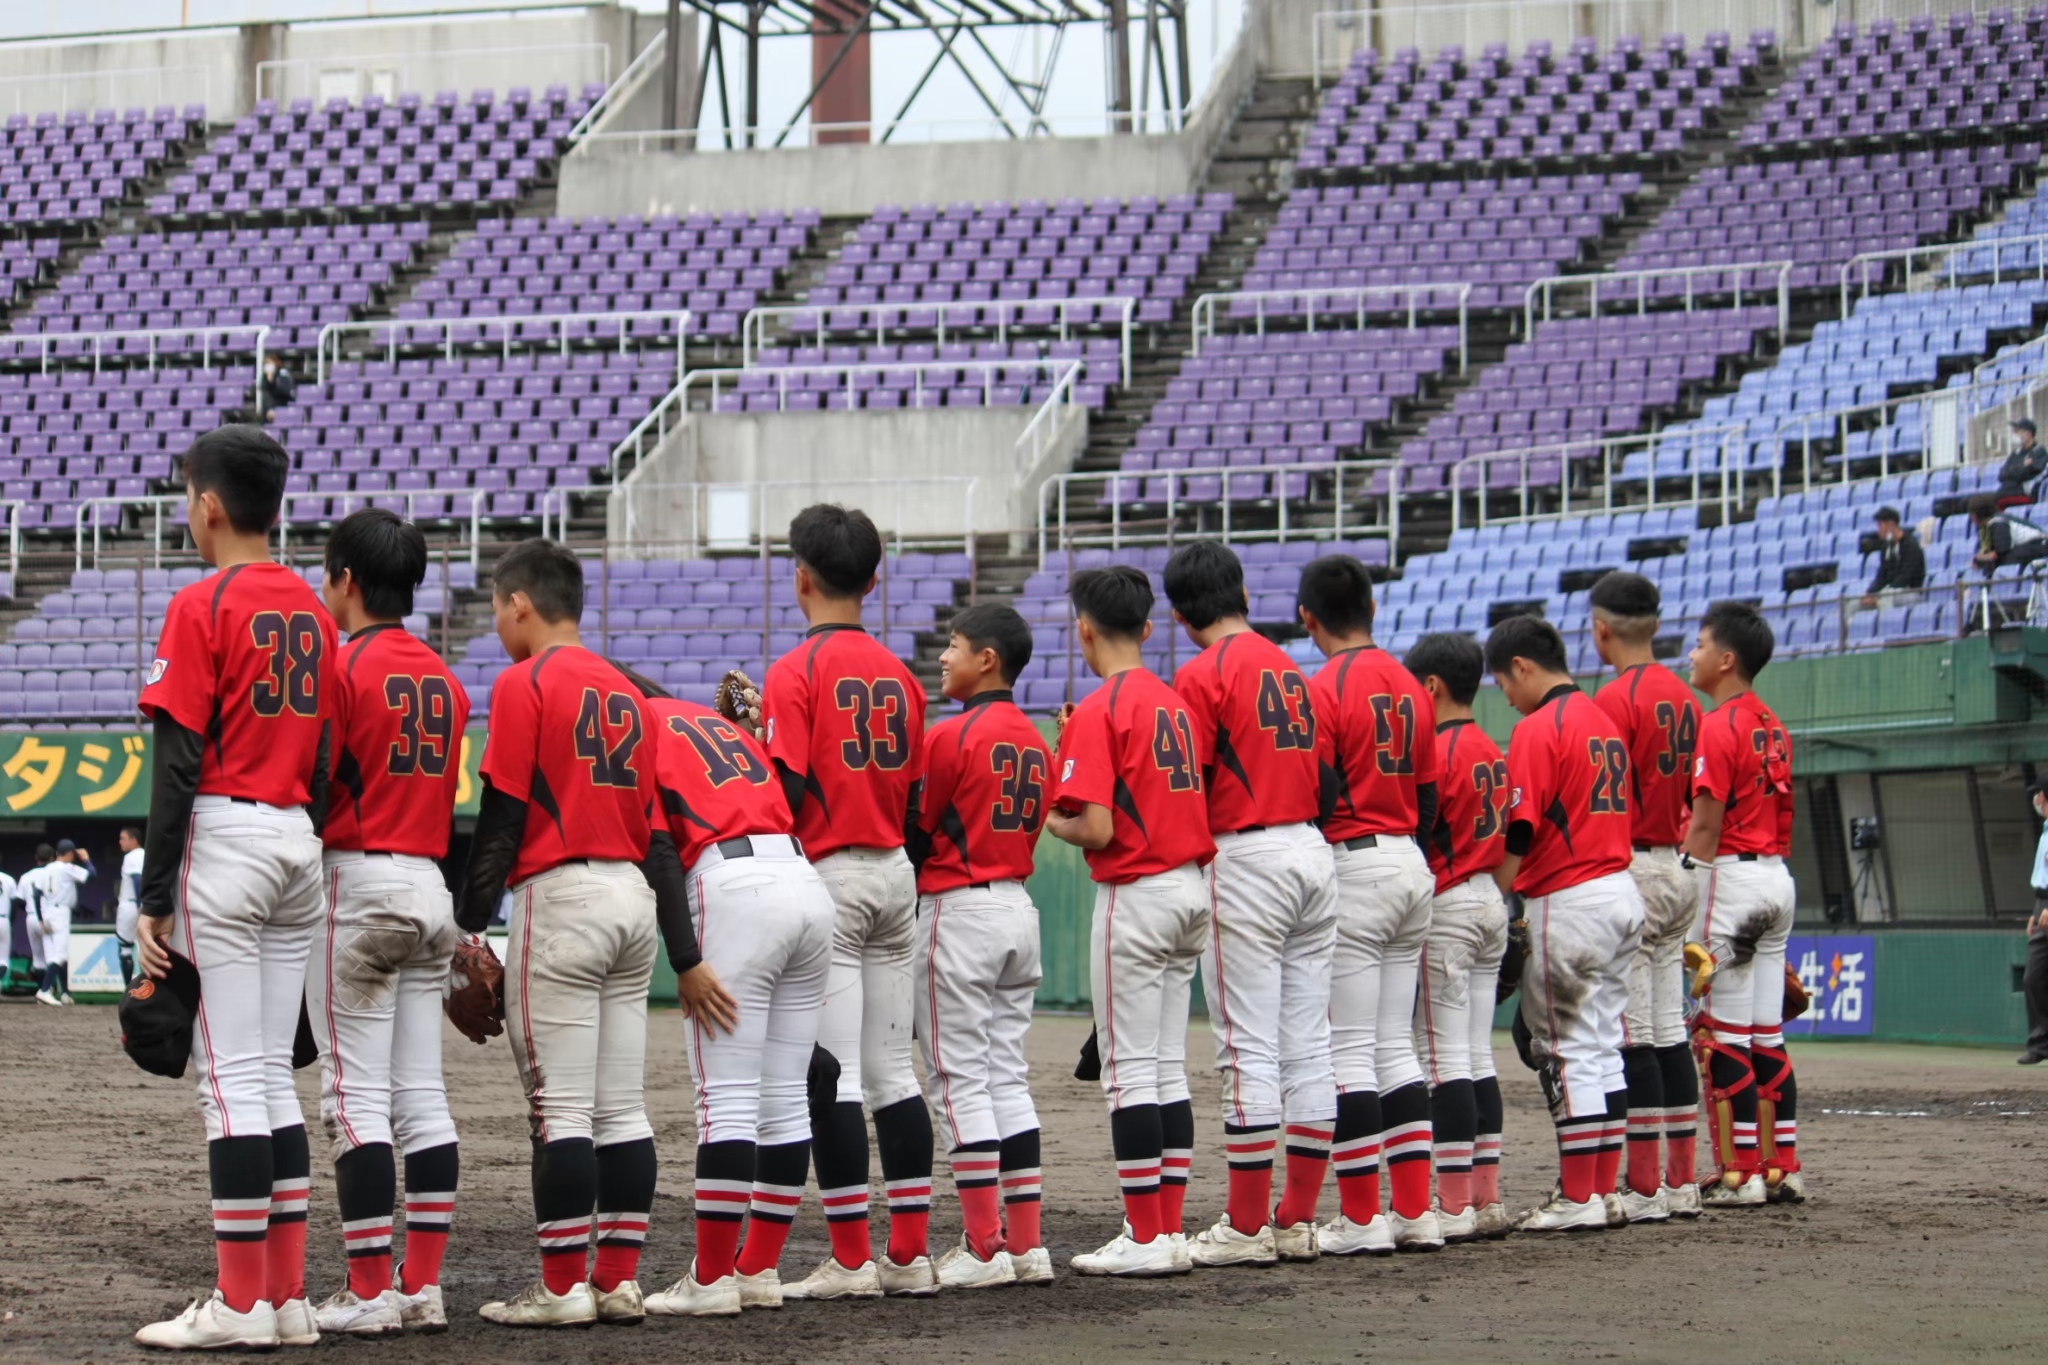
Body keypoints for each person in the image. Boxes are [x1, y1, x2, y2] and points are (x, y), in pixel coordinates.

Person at [132, 425, 338, 1352]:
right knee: (269, 1079)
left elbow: (176, 763)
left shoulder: (201, 602)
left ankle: (240, 1303)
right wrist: (301, 832)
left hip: (225, 832)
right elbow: (326, 756)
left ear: (208, 505)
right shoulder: (314, 611)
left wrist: (154, 892)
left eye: (188, 498)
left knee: (228, 1082)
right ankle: (285, 1299)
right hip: (296, 835)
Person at [455, 538, 674, 1328]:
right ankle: (616, 1280)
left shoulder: (526, 680)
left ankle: (558, 1289)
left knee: (561, 1111)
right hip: (632, 897)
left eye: (496, 607)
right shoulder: (629, 690)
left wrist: (467, 926)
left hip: (563, 895)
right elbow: (656, 829)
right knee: (622, 1110)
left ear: (520, 603)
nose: (496, 621)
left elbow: (503, 815)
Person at [756, 505, 933, 1301]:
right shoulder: (902, 674)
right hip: (895, 869)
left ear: (801, 577)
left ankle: (853, 1260)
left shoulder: (795, 670)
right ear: (874, 579)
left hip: (831, 871)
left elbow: (788, 789)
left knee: (836, 1078)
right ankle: (910, 1254)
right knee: (895, 1072)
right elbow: (917, 799)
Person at [303, 509, 471, 1338]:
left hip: (359, 880)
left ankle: (368, 1288)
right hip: (429, 884)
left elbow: (317, 778)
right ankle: (419, 1286)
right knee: (422, 1095)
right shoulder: (447, 679)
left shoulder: (339, 666)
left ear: (346, 579)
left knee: (354, 1095)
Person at [631, 665, 825, 1318]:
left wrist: (684, 957)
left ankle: (712, 1277)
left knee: (728, 1100)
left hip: (734, 884)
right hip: (803, 878)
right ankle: (758, 1268)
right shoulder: (716, 725)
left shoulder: (636, 723)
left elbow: (660, 850)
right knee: (786, 1099)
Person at [1163, 544, 1336, 1269]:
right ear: (1240, 593)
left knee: (1247, 1048)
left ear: (1179, 614)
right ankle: (1294, 1219)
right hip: (1313, 850)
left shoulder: (1201, 672)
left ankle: (1243, 1225)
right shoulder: (1292, 667)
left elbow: (1190, 782)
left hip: (1247, 854)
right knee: (1310, 1045)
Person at [1048, 566, 1215, 1278]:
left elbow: (1095, 827)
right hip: (1191, 888)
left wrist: (1051, 819)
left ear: (1084, 629)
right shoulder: (1175, 703)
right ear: (1147, 627)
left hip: (1138, 892)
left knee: (1128, 1072)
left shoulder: (1100, 708)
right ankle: (1167, 1228)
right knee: (1167, 1065)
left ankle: (1145, 1235)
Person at [905, 603, 1054, 1289]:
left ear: (987, 659)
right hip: (1018, 906)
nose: (943, 656)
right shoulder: (1038, 741)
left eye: (955, 645)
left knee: (958, 1078)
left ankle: (983, 1244)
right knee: (1005, 1077)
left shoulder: (951, 734)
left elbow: (917, 830)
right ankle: (1025, 1244)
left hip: (960, 907)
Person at [1297, 554, 1443, 1256]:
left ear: (1307, 618)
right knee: (1395, 1045)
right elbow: (1429, 796)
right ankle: (1414, 1211)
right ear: (1373, 609)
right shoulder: (1412, 684)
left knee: (1349, 1049)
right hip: (1410, 858)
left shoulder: (1323, 685)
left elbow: (1320, 790)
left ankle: (1361, 1220)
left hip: (1356, 860)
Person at [1484, 614, 1642, 1234]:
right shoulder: (1602, 719)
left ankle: (1578, 1196)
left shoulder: (1538, 727)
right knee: (1602, 1047)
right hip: (1620, 892)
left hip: (1572, 897)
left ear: (1522, 666)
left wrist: (1497, 896)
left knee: (1566, 1049)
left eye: (1504, 682)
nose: (1506, 696)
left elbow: (1520, 829)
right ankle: (1602, 1191)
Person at [1588, 572, 1704, 1224]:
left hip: (1631, 865)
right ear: (1656, 625)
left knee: (1634, 1037)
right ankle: (1680, 1182)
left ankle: (1642, 1184)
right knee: (1668, 1031)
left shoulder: (1611, 699)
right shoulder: (1686, 696)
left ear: (1600, 630)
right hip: (1676, 864)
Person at [1685, 600, 1802, 1207]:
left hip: (1732, 880)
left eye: (1701, 644)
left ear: (1726, 659)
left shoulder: (1719, 723)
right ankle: (1780, 1166)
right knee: (1765, 1036)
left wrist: (1683, 893)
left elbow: (1705, 825)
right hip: (1776, 877)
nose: (1693, 654)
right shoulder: (1773, 723)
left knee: (1721, 1036)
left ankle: (1739, 1174)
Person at [1402, 632, 1513, 1243]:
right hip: (1491, 896)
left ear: (1431, 686)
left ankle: (1453, 1203)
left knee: (1443, 1060)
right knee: (1475, 1055)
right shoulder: (1492, 747)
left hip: (1448, 902)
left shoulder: (1437, 749)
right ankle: (1484, 1195)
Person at [31, 838, 92, 1005]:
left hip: (47, 911)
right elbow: (91, 875)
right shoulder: (66, 868)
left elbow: (36, 894)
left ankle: (57, 992)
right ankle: (44, 990)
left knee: (53, 955)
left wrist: (40, 918)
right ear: (70, 853)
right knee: (60, 955)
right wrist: (86, 859)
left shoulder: (46, 869)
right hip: (60, 912)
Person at [2020, 777, 2048, 1067]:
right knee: (2033, 978)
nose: (2036, 800)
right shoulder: (2045, 831)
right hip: (2042, 907)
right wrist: (2035, 910)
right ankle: (2040, 1045)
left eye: (2038, 794)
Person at [1861, 506, 1925, 604]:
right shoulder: (1886, 547)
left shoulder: (1911, 546)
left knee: (1884, 600)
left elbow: (1905, 577)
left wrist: (1882, 594)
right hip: (1889, 592)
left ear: (1891, 525)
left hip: (1909, 592)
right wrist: (1870, 593)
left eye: (1880, 525)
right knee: (1855, 603)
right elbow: (1882, 575)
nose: (1878, 530)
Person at [1969, 493, 2048, 572]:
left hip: (2040, 545)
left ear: (1974, 515)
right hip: (2029, 547)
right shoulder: (1988, 526)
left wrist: (1981, 558)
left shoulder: (1998, 522)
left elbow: (2001, 552)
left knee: (2004, 560)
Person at [116, 826, 144, 988]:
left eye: (123, 838)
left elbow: (137, 880)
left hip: (131, 904)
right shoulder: (146, 854)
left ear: (134, 840)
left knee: (125, 948)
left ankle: (128, 989)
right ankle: (147, 989)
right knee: (143, 947)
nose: (120, 842)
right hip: (144, 904)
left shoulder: (132, 856)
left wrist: (139, 905)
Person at [1995, 417, 2046, 508]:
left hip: (2026, 492)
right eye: (2017, 432)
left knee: (1994, 500)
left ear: (2029, 433)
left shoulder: (2039, 452)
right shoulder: (2016, 453)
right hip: (2009, 490)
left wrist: (2013, 471)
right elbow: (2002, 475)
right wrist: (2022, 466)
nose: (2018, 435)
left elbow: (2030, 473)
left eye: (2021, 431)